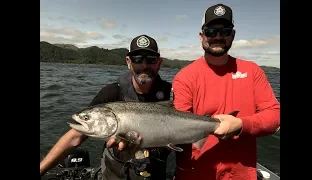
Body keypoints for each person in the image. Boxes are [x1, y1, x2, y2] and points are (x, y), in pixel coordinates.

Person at [40, 34, 173, 180]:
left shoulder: (173, 94)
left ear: (159, 63)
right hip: (113, 175)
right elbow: (74, 137)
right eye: (137, 59)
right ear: (128, 62)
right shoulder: (111, 93)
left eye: (151, 59)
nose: (144, 65)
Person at [171, 3, 280, 180]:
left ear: (233, 35)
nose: (218, 37)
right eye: (211, 32)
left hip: (242, 175)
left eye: (225, 31)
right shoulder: (185, 77)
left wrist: (240, 125)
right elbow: (177, 127)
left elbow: (275, 115)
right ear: (201, 36)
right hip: (198, 174)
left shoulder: (252, 71)